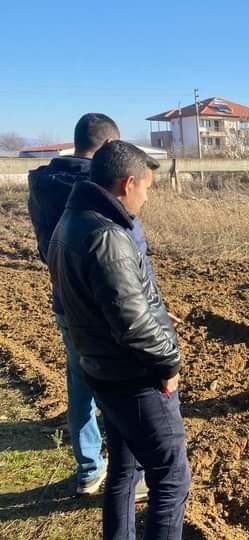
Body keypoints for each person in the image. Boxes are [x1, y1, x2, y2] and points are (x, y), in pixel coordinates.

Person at [47, 141, 190, 539]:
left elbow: (119, 299)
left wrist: (156, 309)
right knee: (172, 479)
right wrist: (169, 363)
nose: (147, 196)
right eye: (146, 187)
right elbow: (133, 324)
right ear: (128, 184)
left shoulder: (71, 221)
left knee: (124, 471)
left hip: (102, 370)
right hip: (133, 379)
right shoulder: (107, 235)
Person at [27, 113, 154, 497]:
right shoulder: (100, 188)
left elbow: (45, 247)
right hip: (110, 303)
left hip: (66, 298)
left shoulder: (43, 185)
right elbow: (128, 252)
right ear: (107, 148)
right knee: (126, 386)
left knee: (80, 381)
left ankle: (88, 469)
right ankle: (131, 473)